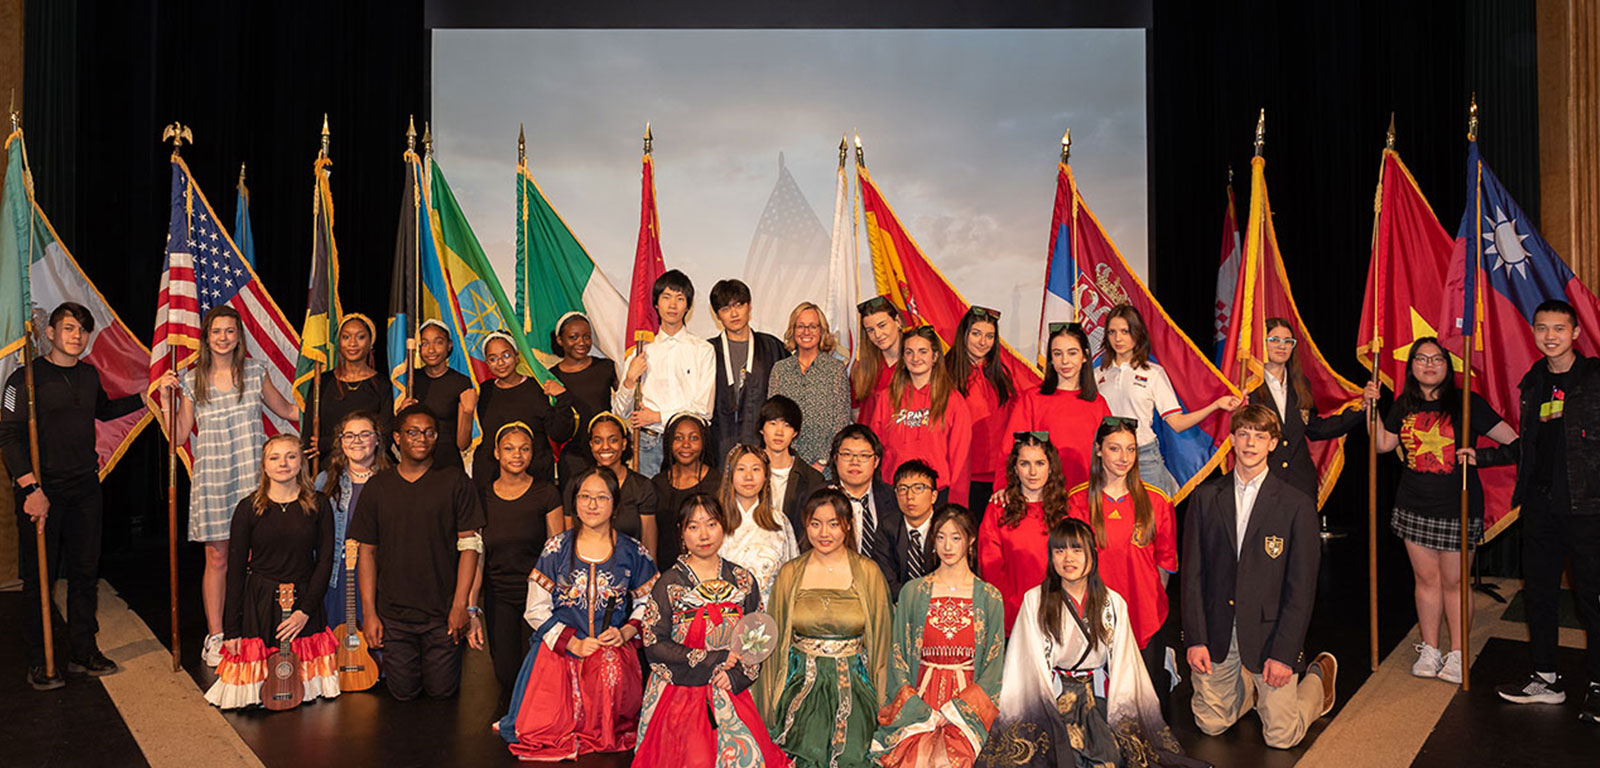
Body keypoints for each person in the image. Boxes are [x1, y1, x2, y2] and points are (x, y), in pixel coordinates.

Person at [1468, 300, 1600, 719]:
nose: (1550, 336)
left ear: (1575, 333)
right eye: (1542, 328)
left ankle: (1598, 685)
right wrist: (1482, 457)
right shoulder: (1534, 382)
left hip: (1586, 508)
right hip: (1539, 507)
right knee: (1539, 595)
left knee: (1592, 598)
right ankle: (1545, 679)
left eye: (1559, 328)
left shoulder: (1594, 378)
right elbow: (1528, 446)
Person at [2, 302, 145, 688]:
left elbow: (105, 411)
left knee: (84, 574)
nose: (76, 336)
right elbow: (9, 438)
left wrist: (145, 398)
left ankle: (84, 651)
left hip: (84, 489)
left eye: (82, 330)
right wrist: (31, 488)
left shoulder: (88, 375)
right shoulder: (23, 379)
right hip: (41, 492)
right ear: (49, 333)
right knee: (39, 579)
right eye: (68, 328)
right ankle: (40, 659)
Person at [978, 518, 1192, 767]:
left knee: (1113, 757)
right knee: (1056, 757)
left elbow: (1126, 666)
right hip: (1052, 697)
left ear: (1092, 554)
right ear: (1051, 556)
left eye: (1077, 550)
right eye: (1060, 551)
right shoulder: (1034, 601)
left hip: (1097, 697)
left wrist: (1121, 713)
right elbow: (1025, 666)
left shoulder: (1113, 602)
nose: (1068, 558)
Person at [1182, 404, 1335, 750]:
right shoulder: (1206, 498)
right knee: (1211, 724)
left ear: (1273, 443)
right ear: (1232, 439)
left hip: (1269, 635)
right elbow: (1192, 577)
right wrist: (1195, 639)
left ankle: (1318, 680)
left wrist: (1284, 654)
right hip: (1219, 631)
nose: (1251, 443)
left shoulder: (1296, 505)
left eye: (1260, 436)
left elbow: (1301, 590)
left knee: (1281, 737)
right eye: (1244, 434)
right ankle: (1250, 689)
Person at [155, 305, 298, 667]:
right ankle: (217, 634)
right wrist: (166, 399)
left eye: (229, 331)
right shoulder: (192, 380)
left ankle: (253, 629)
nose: (223, 338)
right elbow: (179, 436)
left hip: (253, 479)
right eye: (216, 331)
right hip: (214, 479)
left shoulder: (255, 371)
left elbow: (287, 410)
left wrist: (327, 402)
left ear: (239, 336)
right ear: (206, 337)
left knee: (258, 557)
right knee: (218, 557)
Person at [1373, 337, 1514, 683]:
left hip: (1457, 507)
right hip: (1413, 506)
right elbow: (1382, 444)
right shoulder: (1404, 404)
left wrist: (1482, 457)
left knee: (1454, 583)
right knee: (1426, 581)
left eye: (1437, 359)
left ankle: (1458, 652)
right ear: (1412, 367)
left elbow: (1514, 442)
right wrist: (1372, 407)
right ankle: (1431, 648)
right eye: (1421, 359)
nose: (1429, 365)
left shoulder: (1467, 402)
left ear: (1448, 367)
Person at [496, 466, 659, 759]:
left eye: (602, 497)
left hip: (609, 650)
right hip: (560, 652)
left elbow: (649, 602)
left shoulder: (633, 551)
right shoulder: (556, 548)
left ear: (615, 504)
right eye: (585, 497)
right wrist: (572, 643)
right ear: (575, 501)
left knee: (609, 672)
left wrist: (625, 632)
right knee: (543, 729)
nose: (592, 505)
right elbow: (535, 608)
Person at [633, 494, 792, 768]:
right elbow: (653, 642)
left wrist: (737, 675)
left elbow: (757, 633)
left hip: (729, 686)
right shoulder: (669, 583)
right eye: (693, 527)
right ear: (682, 532)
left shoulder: (742, 579)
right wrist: (714, 659)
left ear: (723, 526)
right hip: (679, 691)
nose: (704, 535)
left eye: (711, 524)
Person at [349, 404, 483, 701]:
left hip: (443, 615)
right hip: (394, 617)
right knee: (402, 694)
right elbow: (366, 553)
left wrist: (461, 605)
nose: (421, 439)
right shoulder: (378, 487)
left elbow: (470, 546)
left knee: (442, 693)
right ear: (397, 437)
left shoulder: (455, 482)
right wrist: (369, 613)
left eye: (429, 432)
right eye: (412, 432)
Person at [757, 489, 893, 768]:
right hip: (800, 682)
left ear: (847, 525)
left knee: (854, 755)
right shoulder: (790, 573)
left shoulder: (868, 572)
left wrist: (884, 704)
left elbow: (882, 643)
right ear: (805, 525)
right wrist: (768, 702)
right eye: (815, 523)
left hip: (856, 684)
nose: (824, 533)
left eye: (833, 523)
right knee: (804, 751)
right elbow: (776, 642)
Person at [205, 434, 339, 708]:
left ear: (301, 462)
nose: (283, 464)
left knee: (310, 705)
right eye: (274, 458)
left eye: (291, 456)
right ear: (264, 466)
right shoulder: (248, 508)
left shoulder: (319, 503)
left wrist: (305, 611)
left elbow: (325, 561)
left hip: (304, 600)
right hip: (260, 603)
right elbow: (236, 571)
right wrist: (231, 629)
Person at [869, 505, 1006, 768]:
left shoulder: (989, 597)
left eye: (956, 537)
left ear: (970, 540)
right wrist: (916, 708)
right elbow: (898, 655)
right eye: (940, 537)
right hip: (919, 701)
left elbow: (993, 666)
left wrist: (959, 710)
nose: (947, 546)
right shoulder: (913, 592)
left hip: (967, 705)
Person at [1068, 417, 1178, 694]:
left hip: (1144, 617)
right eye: (1114, 448)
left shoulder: (1157, 501)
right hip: (1092, 618)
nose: (1124, 457)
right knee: (1098, 701)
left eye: (1130, 449)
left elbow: (1164, 565)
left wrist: (1148, 600)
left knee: (1144, 701)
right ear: (1098, 450)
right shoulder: (1077, 501)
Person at [466, 422, 565, 709]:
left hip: (539, 597)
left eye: (524, 449)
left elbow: (556, 553)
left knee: (538, 671)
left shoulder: (547, 493)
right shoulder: (482, 496)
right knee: (506, 674)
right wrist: (471, 608)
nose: (517, 455)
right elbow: (477, 555)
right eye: (509, 449)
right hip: (499, 597)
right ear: (496, 453)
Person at [1096, 304, 1240, 497]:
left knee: (1153, 515)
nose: (1118, 338)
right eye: (1112, 332)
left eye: (1125, 331)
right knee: (1110, 513)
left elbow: (1177, 423)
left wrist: (1216, 405)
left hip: (1144, 457)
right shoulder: (1097, 375)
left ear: (1137, 333)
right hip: (1108, 458)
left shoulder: (1153, 373)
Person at [1250, 318, 1368, 515]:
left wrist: (1362, 407)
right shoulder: (1249, 387)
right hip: (1262, 480)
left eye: (1288, 341)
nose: (1282, 346)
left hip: (1300, 484)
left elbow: (1316, 429)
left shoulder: (1301, 385)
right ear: (1261, 343)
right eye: (1274, 340)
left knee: (1303, 534)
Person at [614, 269, 716, 474]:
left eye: (680, 298)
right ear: (656, 303)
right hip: (647, 445)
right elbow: (619, 412)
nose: (672, 305)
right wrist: (629, 381)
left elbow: (704, 410)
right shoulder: (640, 352)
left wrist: (657, 416)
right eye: (666, 297)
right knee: (648, 495)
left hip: (687, 444)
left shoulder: (703, 350)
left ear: (688, 306)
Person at [867, 325, 972, 507]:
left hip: (936, 493)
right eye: (909, 352)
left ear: (935, 356)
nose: (915, 358)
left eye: (922, 351)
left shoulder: (953, 400)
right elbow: (875, 448)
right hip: (893, 491)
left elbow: (960, 458)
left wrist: (957, 504)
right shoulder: (887, 397)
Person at [1003, 322, 1111, 493]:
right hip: (1042, 494)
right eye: (1057, 354)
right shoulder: (1032, 399)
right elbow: (1010, 448)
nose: (1065, 361)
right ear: (1051, 359)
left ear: (1085, 356)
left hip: (1086, 494)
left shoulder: (1098, 403)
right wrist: (1004, 487)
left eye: (1072, 353)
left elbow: (1110, 452)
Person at [977, 432, 1068, 634]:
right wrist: (1013, 611)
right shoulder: (998, 510)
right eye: (1025, 464)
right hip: (1013, 618)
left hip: (1060, 615)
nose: (1032, 472)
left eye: (1040, 463)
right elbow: (991, 568)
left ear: (1051, 467)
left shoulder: (1068, 511)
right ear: (1015, 469)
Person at [313, 410, 389, 629]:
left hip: (380, 578)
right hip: (337, 578)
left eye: (365, 434)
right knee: (338, 642)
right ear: (341, 442)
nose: (357, 441)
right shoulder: (325, 481)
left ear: (377, 439)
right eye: (349, 435)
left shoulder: (391, 480)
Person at [472, 331, 575, 486]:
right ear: (486, 362)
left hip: (536, 479)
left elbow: (559, 433)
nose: (500, 362)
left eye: (506, 355)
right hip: (492, 481)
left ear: (517, 356)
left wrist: (562, 398)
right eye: (493, 358)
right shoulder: (484, 391)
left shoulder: (538, 387)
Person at [707, 278, 789, 456]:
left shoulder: (772, 347)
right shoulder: (707, 351)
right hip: (718, 445)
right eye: (725, 309)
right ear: (717, 315)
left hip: (762, 446)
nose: (734, 314)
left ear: (749, 306)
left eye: (739, 305)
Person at [946, 306, 1015, 510]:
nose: (983, 342)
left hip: (999, 478)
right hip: (960, 475)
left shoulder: (1002, 375)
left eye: (989, 336)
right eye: (976, 334)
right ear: (964, 334)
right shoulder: (945, 373)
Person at [769, 301, 851, 468]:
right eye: (801, 326)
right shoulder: (780, 370)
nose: (806, 332)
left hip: (824, 467)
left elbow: (841, 422)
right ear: (793, 330)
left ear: (821, 331)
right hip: (786, 465)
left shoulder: (835, 370)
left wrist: (823, 462)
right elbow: (772, 418)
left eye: (813, 326)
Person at [717, 443, 799, 604]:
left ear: (766, 476)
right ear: (730, 475)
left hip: (769, 611)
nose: (748, 477)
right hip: (724, 612)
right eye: (741, 469)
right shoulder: (716, 520)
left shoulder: (778, 521)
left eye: (756, 469)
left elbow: (792, 575)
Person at [826, 423, 902, 588]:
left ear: (876, 461)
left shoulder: (894, 499)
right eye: (847, 454)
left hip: (884, 591)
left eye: (864, 455)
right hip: (832, 589)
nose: (855, 462)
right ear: (835, 458)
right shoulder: (818, 498)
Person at [313, 314, 390, 468]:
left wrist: (326, 443)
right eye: (346, 337)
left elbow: (384, 435)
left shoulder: (382, 384)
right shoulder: (322, 382)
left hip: (370, 468)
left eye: (360, 337)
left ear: (371, 342)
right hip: (328, 469)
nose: (352, 343)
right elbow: (310, 439)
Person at [549, 311, 618, 481]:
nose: (581, 342)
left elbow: (625, 403)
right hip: (573, 459)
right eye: (573, 337)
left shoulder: (606, 367)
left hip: (605, 453)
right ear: (560, 340)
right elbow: (555, 429)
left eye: (587, 337)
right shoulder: (551, 377)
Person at [581, 412, 659, 558]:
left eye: (613, 440)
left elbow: (649, 549)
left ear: (623, 444)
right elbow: (568, 543)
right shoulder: (578, 485)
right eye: (598, 441)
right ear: (591, 445)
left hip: (631, 567)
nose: (605, 447)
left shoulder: (642, 487)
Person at [405, 319, 476, 471]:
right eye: (425, 343)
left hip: (448, 463)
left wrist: (468, 412)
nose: (431, 350)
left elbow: (463, 444)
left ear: (449, 345)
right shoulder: (410, 380)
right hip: (416, 463)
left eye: (438, 342)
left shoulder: (461, 382)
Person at [651, 412, 721, 567]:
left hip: (707, 570)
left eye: (694, 438)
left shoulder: (718, 483)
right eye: (678, 438)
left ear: (704, 442)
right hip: (665, 571)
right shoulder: (657, 483)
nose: (686, 444)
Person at [760, 395, 824, 533]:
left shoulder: (812, 479)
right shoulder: (746, 472)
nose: (779, 432)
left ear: (795, 433)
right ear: (761, 429)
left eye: (787, 425)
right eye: (773, 423)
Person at [883, 460, 940, 594]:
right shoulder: (887, 526)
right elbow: (886, 576)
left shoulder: (946, 526)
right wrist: (908, 601)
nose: (909, 496)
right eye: (903, 489)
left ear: (933, 496)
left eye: (918, 488)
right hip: (900, 600)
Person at [851, 295, 903, 418]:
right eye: (870, 330)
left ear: (897, 321)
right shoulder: (861, 369)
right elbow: (856, 413)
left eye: (882, 325)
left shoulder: (917, 363)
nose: (878, 335)